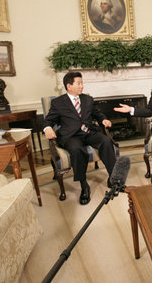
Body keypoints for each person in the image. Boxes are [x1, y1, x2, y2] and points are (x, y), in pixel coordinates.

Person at [43, 72, 117, 205]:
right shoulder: (58, 102)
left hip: (89, 132)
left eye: (82, 83)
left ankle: (113, 177)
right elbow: (48, 120)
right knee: (77, 149)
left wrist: (104, 119)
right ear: (69, 86)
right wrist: (47, 128)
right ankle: (84, 185)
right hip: (71, 135)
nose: (82, 86)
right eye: (79, 83)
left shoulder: (88, 99)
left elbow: (97, 114)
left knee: (106, 141)